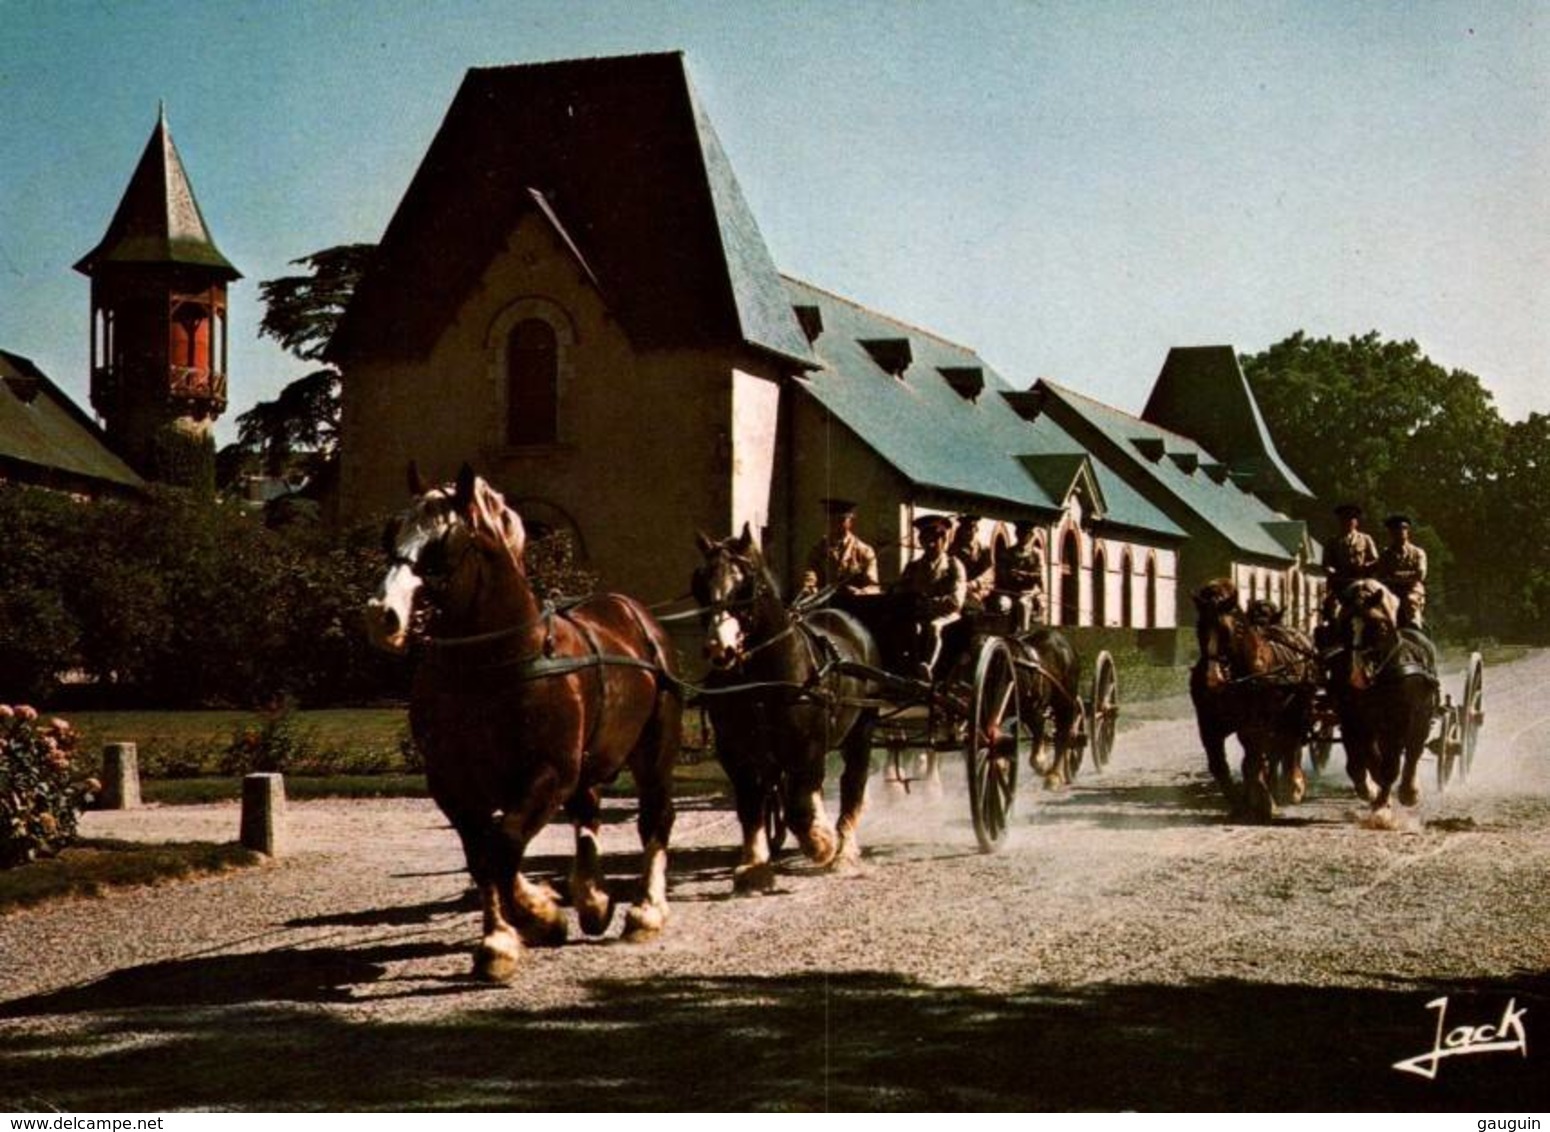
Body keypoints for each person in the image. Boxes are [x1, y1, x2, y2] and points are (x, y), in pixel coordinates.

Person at [895, 514, 967, 681]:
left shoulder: (953, 565)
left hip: (946, 615)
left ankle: (927, 666)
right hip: (919, 615)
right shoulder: (913, 567)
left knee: (934, 627)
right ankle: (907, 671)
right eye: (926, 540)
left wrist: (929, 604)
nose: (931, 544)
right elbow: (900, 591)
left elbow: (956, 601)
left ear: (944, 540)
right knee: (910, 628)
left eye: (935, 539)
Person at [800, 497, 879, 599]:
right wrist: (811, 589)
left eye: (841, 520)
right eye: (832, 520)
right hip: (826, 604)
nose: (836, 524)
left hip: (856, 605)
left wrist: (860, 593)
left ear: (850, 522)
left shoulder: (864, 551)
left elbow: (873, 586)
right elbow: (810, 579)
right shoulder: (818, 550)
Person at [1321, 502, 1378, 621]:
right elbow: (1326, 564)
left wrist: (1366, 566)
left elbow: (1375, 560)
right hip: (1341, 584)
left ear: (1356, 522)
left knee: (1376, 604)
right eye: (1344, 519)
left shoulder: (1365, 539)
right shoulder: (1333, 541)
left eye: (1351, 519)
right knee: (1331, 607)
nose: (1347, 522)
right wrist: (1331, 571)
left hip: (1362, 582)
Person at [1375, 513, 1427, 630]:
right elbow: (1382, 576)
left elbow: (1420, 575)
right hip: (1391, 591)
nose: (1400, 531)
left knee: (1410, 601)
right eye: (1396, 529)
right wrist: (1407, 575)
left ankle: (1415, 629)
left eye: (1404, 528)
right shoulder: (1385, 555)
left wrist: (1396, 575)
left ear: (1408, 531)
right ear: (1391, 533)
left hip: (1412, 590)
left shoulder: (1418, 552)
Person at [992, 520, 1047, 631]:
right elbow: (1000, 575)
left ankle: (1023, 634)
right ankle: (1003, 635)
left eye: (1026, 534)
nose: (1023, 537)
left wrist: (1024, 575)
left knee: (1022, 604)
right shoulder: (1007, 553)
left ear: (1031, 536)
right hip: (1009, 592)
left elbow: (1040, 577)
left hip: (1028, 593)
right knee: (1002, 603)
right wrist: (1008, 576)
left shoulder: (1036, 554)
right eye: (1020, 533)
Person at [949, 513, 996, 613]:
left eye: (972, 529)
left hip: (980, 589)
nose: (970, 532)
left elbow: (988, 574)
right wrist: (960, 584)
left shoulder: (984, 550)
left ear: (976, 530)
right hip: (957, 587)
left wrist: (974, 583)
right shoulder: (953, 550)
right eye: (966, 529)